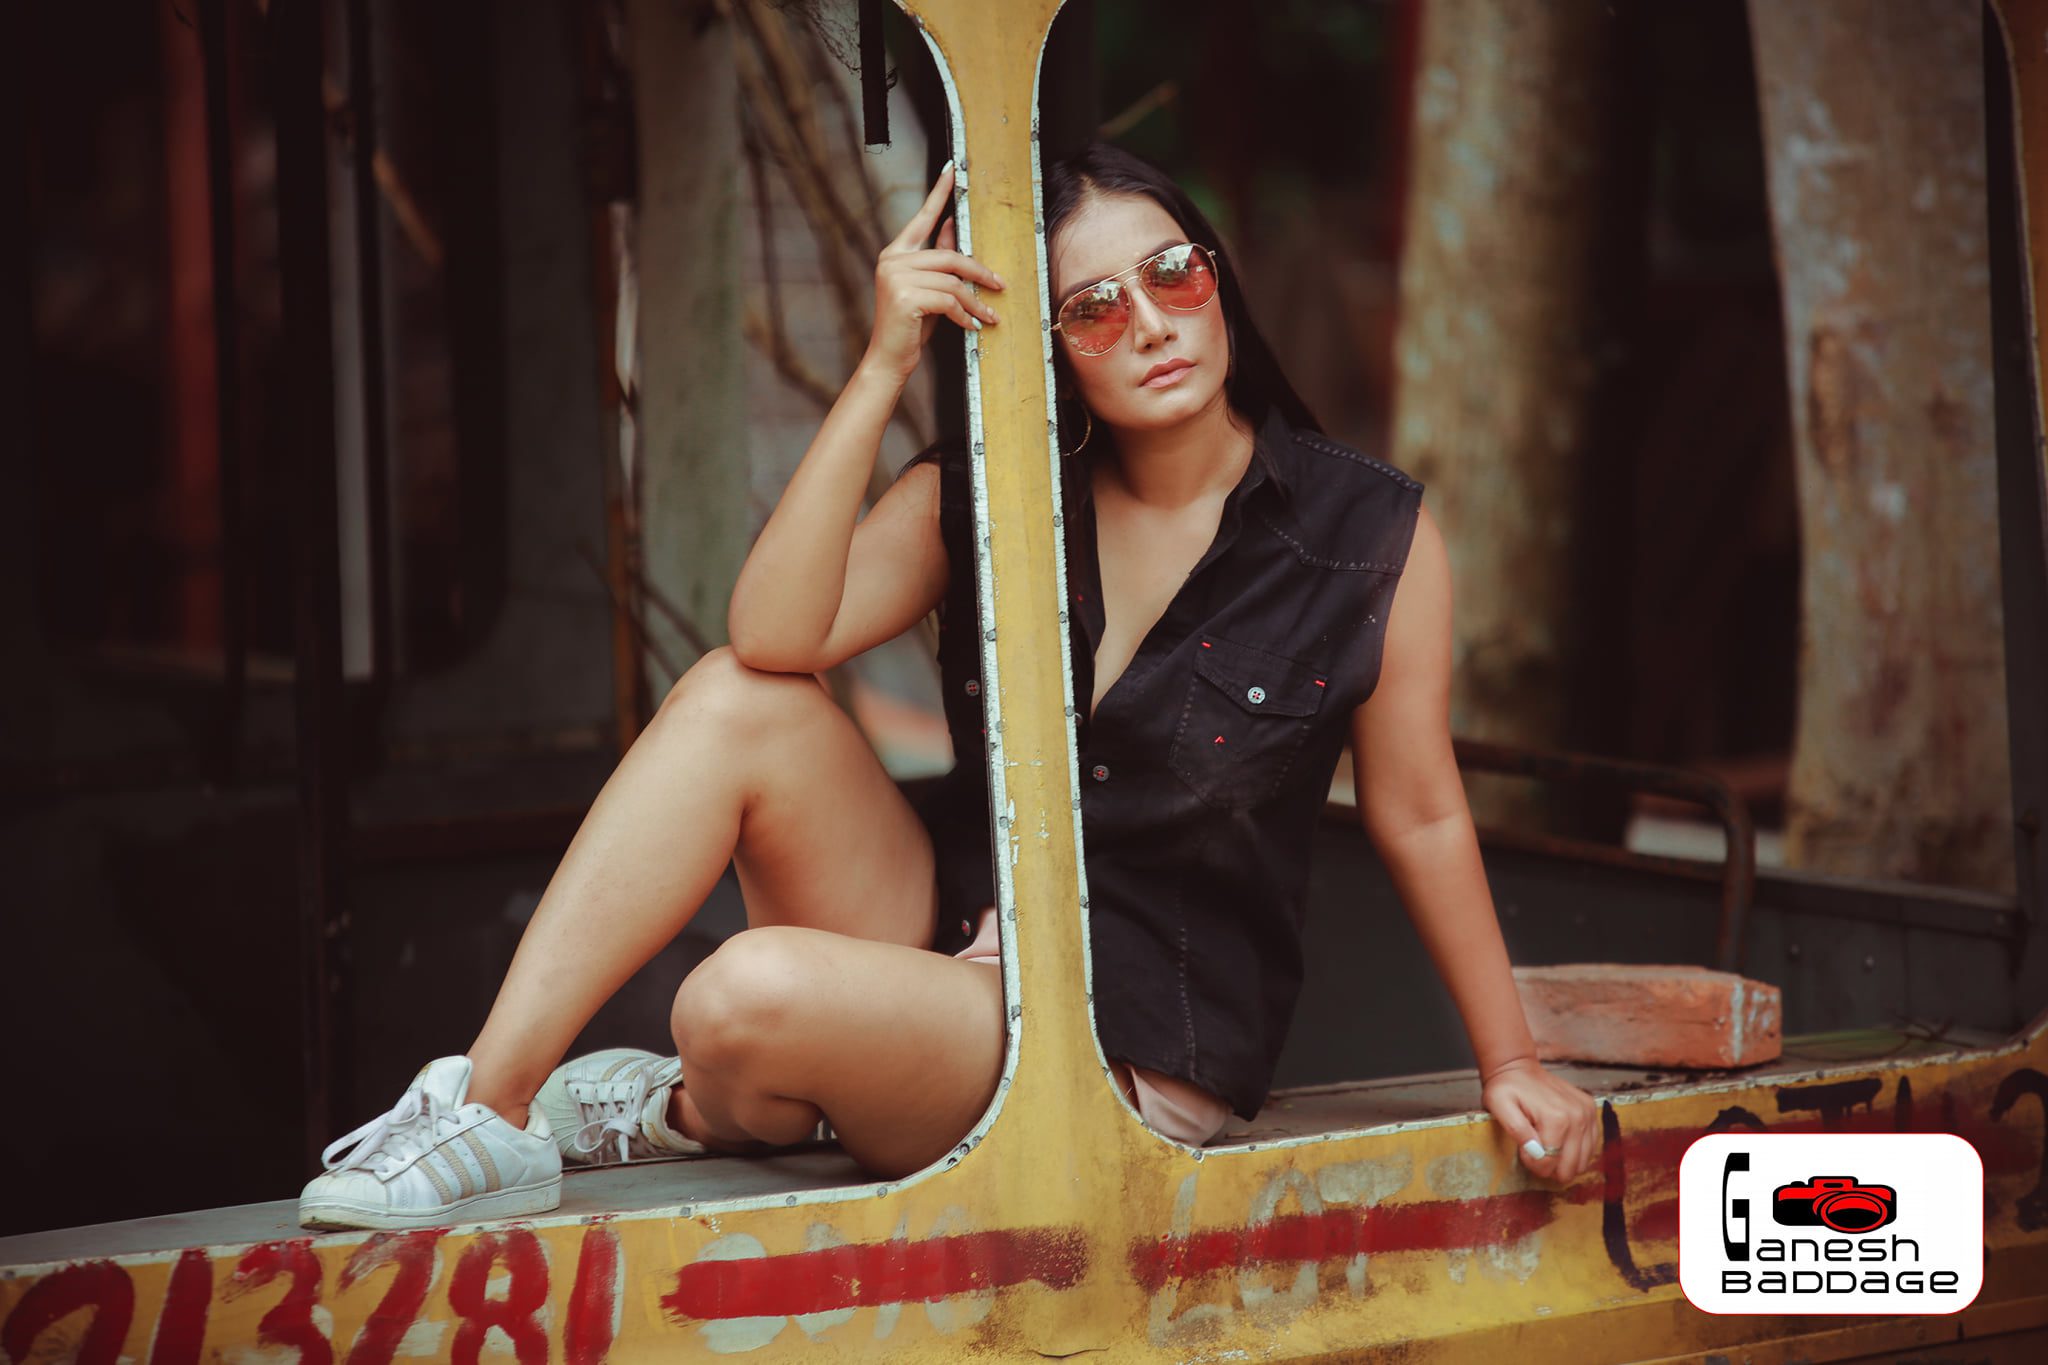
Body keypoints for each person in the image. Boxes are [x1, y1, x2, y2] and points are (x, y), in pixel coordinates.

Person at [297, 141, 1600, 1233]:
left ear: (1218, 280)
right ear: (1050, 346)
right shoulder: (998, 495)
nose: (1150, 324)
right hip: (945, 940)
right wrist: (881, 365)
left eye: (1173, 274)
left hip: (1122, 1041)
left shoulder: (1365, 536)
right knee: (739, 698)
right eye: (1093, 307)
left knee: (739, 1000)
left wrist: (1512, 1061)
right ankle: (490, 1107)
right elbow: (773, 632)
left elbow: (1421, 809)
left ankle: (690, 1106)